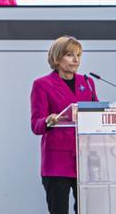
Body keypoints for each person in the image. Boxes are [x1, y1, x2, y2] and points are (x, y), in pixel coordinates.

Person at [30, 35, 98, 214]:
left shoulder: (88, 83)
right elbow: (36, 125)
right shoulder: (42, 85)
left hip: (84, 160)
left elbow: (96, 114)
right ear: (57, 58)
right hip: (57, 162)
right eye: (70, 55)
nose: (76, 60)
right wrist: (48, 120)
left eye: (78, 55)